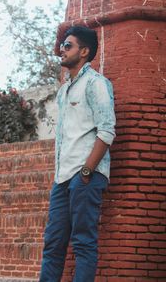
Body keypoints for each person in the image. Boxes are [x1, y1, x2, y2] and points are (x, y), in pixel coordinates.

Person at [39, 25, 116, 282]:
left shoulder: (97, 84)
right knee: (53, 244)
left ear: (84, 51)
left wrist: (86, 172)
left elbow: (106, 131)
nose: (62, 50)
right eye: (62, 46)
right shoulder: (64, 90)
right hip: (62, 178)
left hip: (85, 175)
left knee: (83, 242)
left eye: (68, 45)